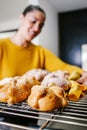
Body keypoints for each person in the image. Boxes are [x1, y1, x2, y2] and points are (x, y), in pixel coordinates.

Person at [0, 4, 87, 129]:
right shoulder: (2, 46)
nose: (36, 28)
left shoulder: (40, 51)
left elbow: (63, 66)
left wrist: (83, 73)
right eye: (33, 21)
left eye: (41, 25)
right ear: (22, 17)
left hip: (30, 110)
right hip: (3, 110)